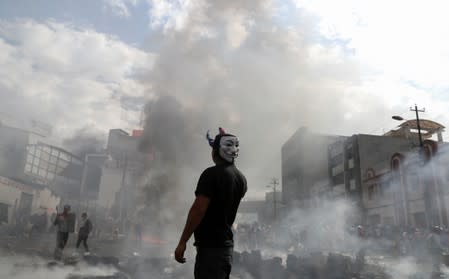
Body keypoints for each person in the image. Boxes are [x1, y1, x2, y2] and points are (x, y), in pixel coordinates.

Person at [174, 127, 247, 279]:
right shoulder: (241, 178)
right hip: (225, 248)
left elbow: (198, 209)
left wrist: (182, 242)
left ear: (216, 152)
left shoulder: (211, 174)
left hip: (211, 249)